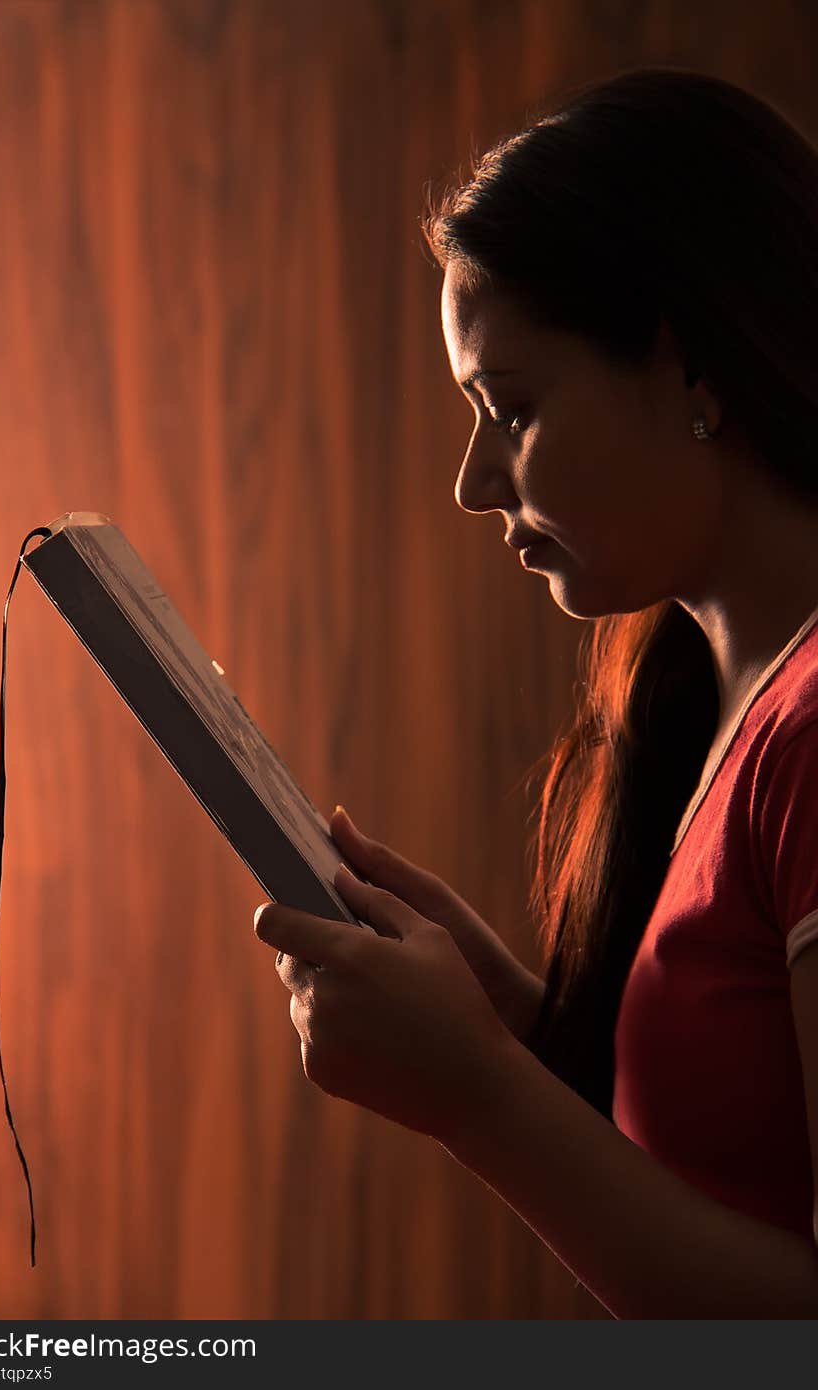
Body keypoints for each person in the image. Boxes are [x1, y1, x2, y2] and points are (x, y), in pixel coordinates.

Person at [252, 66, 818, 1318]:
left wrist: (478, 1096)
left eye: (509, 408)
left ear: (690, 370)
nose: (469, 484)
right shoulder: (710, 691)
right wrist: (506, 1023)